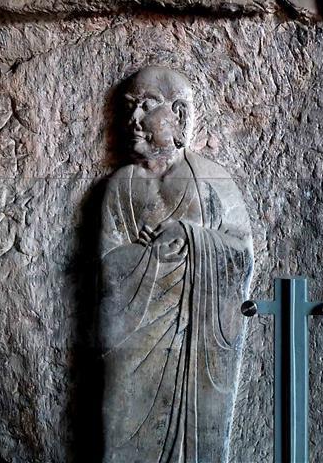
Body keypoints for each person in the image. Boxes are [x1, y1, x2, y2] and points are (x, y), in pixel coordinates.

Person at [100, 67, 254, 463]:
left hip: (195, 338)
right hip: (134, 341)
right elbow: (107, 267)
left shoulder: (212, 181)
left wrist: (190, 237)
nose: (133, 119)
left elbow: (242, 256)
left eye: (146, 106)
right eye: (129, 109)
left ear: (179, 115)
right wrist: (151, 257)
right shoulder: (121, 186)